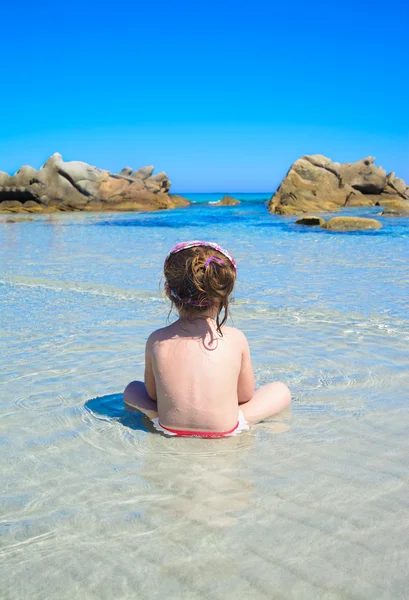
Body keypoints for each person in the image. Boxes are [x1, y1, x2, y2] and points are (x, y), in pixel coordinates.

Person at [124, 240, 291, 437]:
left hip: (168, 426)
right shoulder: (235, 338)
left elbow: (152, 394)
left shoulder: (156, 340)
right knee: (280, 390)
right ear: (223, 294)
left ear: (168, 291)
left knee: (132, 390)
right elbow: (245, 395)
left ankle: (154, 417)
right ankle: (241, 421)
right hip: (225, 430)